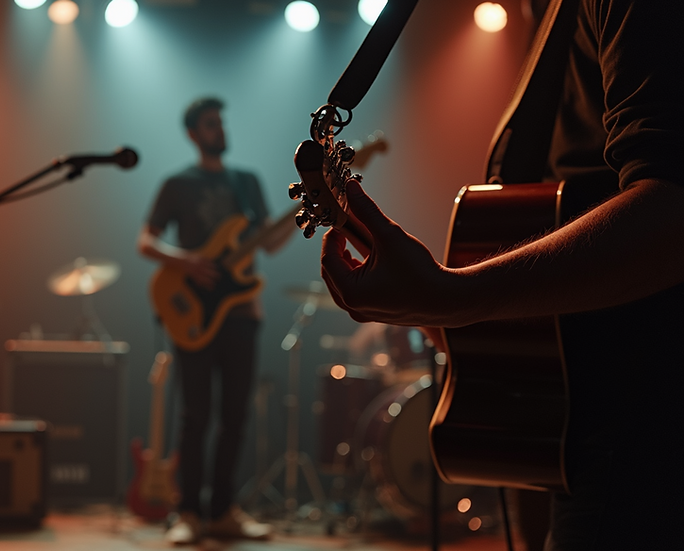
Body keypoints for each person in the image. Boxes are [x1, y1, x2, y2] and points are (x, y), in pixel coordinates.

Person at [319, 1, 682, 549]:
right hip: (572, 420)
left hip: (641, 424)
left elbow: (673, 212)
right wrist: (458, 311)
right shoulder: (551, 14)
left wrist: (460, 296)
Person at [138, 97, 295, 544]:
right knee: (195, 415)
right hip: (193, 312)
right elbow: (145, 241)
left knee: (235, 415)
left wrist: (308, 211)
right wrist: (185, 261)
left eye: (221, 123)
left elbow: (271, 243)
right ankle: (187, 511)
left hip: (242, 314)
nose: (220, 130)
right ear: (192, 133)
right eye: (210, 124)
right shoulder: (177, 184)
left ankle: (223, 510)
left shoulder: (247, 182)